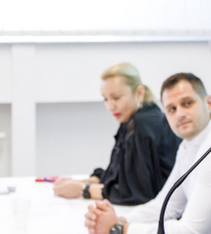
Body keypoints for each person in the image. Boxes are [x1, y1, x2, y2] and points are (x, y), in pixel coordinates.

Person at [84, 72, 211, 234]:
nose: (180, 114)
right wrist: (119, 220)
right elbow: (166, 206)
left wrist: (119, 230)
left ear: (209, 102)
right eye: (171, 109)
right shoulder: (190, 142)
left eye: (187, 103)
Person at [53, 62, 180, 205]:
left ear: (139, 93)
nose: (110, 106)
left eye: (117, 98)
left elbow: (134, 193)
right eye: (105, 99)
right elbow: (118, 174)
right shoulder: (132, 118)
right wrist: (81, 182)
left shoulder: (141, 125)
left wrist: (83, 189)